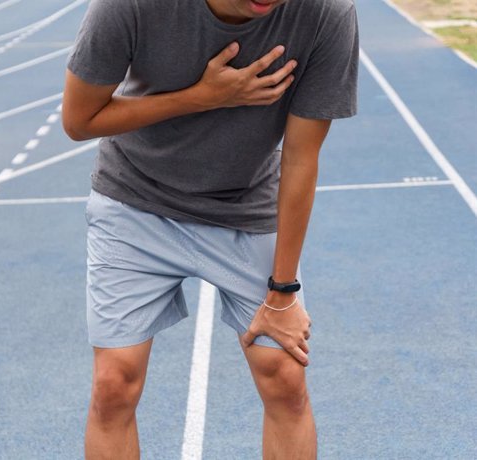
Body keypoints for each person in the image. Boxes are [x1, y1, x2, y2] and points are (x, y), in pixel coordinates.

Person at [62, 0, 358, 458]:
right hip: (135, 201)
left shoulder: (325, 13)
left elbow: (301, 158)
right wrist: (201, 97)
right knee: (113, 383)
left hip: (244, 208)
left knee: (285, 378)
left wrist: (284, 290)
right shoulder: (129, 6)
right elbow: (79, 120)